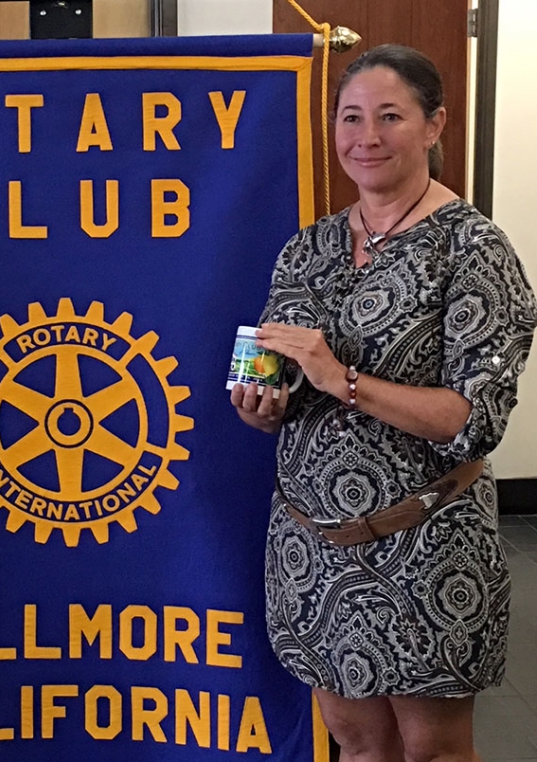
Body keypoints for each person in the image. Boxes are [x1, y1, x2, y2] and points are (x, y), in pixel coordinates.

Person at [230, 44, 536, 762]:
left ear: (435, 126)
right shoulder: (308, 249)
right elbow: (276, 386)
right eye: (351, 117)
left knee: (432, 748)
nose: (366, 138)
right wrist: (261, 406)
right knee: (358, 743)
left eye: (390, 116)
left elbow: (473, 421)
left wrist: (343, 379)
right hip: (315, 547)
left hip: (425, 547)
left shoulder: (473, 249)